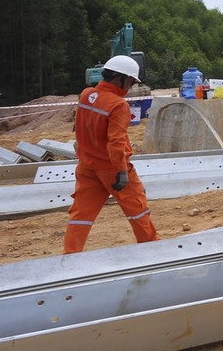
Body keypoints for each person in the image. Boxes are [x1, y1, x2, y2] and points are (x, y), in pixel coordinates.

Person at [63, 55, 158, 253]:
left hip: (87, 166)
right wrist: (121, 171)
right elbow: (116, 141)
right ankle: (151, 250)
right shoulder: (118, 105)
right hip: (112, 169)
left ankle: (70, 255)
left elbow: (81, 129)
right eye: (130, 82)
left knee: (81, 215)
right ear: (119, 78)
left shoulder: (86, 94)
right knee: (137, 210)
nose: (129, 88)